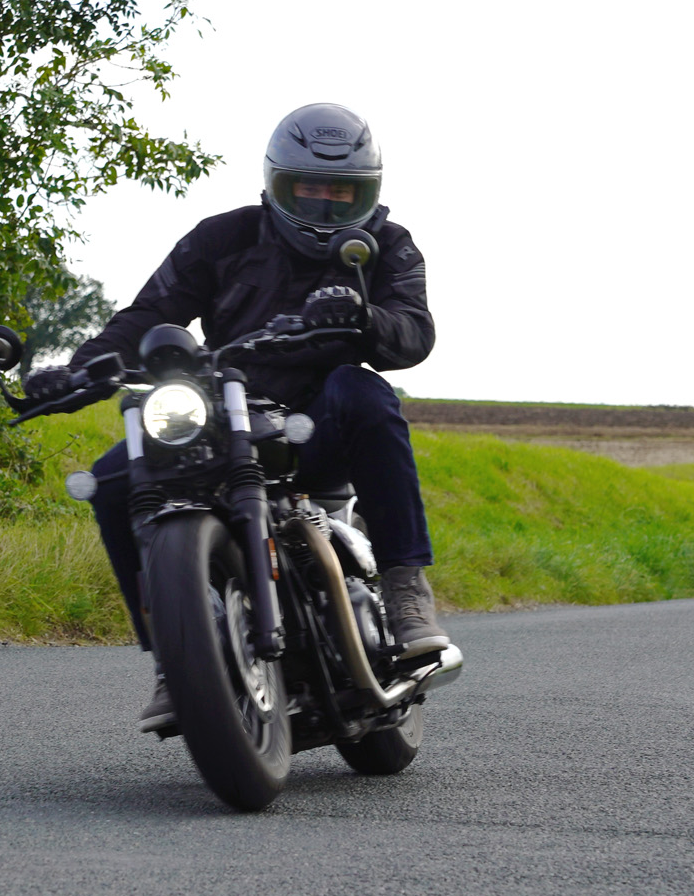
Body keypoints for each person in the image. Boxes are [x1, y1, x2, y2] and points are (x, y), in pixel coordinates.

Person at [26, 102, 446, 734]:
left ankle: (405, 585)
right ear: (276, 182)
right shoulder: (221, 238)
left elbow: (413, 332)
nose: (325, 205)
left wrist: (364, 316)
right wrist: (74, 373)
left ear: (369, 192)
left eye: (342, 192)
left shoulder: (386, 245)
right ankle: (176, 657)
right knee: (114, 481)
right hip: (224, 412)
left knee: (367, 393)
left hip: (316, 422)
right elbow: (146, 315)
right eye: (307, 188)